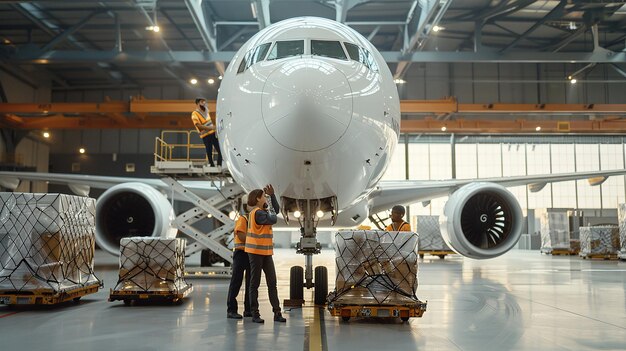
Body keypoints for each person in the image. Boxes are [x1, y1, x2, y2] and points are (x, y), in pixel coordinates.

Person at [245, 184, 286, 323]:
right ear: (258, 199)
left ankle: (277, 312)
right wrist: (270, 201)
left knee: (272, 282)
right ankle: (254, 313)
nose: (265, 198)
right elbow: (274, 218)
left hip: (266, 252)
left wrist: (272, 196)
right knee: (254, 283)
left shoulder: (262, 211)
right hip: (256, 252)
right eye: (264, 196)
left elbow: (277, 211)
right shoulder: (257, 213)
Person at [226, 199, 252, 319]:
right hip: (241, 253)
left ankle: (249, 309)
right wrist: (255, 240)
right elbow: (241, 235)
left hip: (251, 253)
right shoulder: (244, 219)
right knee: (237, 281)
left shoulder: (254, 219)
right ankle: (231, 310)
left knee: (251, 283)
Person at [191, 97, 222, 167]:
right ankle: (212, 165)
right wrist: (210, 128)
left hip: (213, 133)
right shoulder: (195, 113)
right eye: (202, 102)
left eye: (205, 101)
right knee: (209, 151)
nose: (204, 103)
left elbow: (209, 122)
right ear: (198, 103)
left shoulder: (206, 112)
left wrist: (213, 128)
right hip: (206, 135)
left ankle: (219, 165)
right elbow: (198, 125)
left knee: (220, 151)